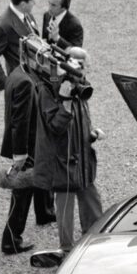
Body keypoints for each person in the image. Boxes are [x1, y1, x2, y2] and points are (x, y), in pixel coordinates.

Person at [33, 47, 104, 252]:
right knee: (65, 206)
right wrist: (65, 100)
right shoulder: (48, 89)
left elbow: (80, 120)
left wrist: (91, 133)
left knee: (92, 201)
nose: (84, 72)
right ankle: (66, 250)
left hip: (82, 157)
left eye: (85, 67)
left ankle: (94, 243)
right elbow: (55, 126)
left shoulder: (79, 85)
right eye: (82, 67)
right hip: (62, 159)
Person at [0, 46, 55, 254]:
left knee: (32, 184)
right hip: (29, 146)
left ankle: (44, 213)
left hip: (31, 143)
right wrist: (21, 154)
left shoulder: (17, 72)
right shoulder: (25, 82)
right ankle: (11, 239)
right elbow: (21, 121)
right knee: (22, 193)